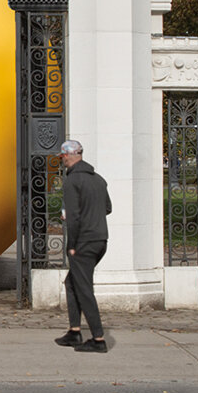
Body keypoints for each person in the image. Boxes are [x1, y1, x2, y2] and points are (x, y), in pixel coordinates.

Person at [54, 139, 111, 354]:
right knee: (72, 282)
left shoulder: (72, 181)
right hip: (100, 240)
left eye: (62, 157)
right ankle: (74, 331)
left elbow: (74, 218)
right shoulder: (98, 180)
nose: (62, 161)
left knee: (84, 288)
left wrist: (72, 246)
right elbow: (107, 207)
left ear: (69, 155)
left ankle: (98, 339)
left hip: (83, 242)